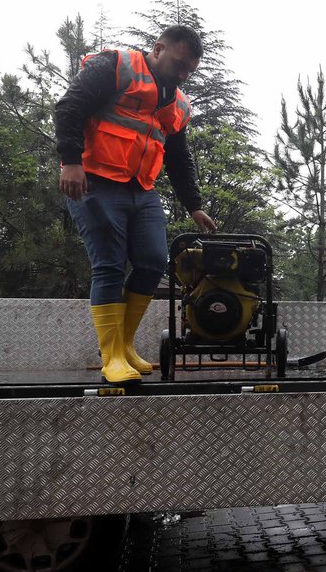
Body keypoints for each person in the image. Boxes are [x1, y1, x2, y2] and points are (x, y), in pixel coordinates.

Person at [56, 25, 217, 384]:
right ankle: (111, 356)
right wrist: (70, 162)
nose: (183, 75)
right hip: (95, 180)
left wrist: (194, 205)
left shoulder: (177, 103)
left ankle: (124, 346)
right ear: (158, 49)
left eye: (189, 70)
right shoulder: (116, 67)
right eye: (179, 65)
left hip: (140, 189)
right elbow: (69, 108)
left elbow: (178, 156)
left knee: (151, 262)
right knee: (110, 265)